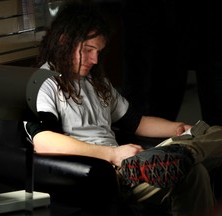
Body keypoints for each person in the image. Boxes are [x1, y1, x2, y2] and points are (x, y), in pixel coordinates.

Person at [25, 2, 222, 216]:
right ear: (64, 41)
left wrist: (181, 129)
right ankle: (182, 154)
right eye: (88, 50)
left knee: (205, 154)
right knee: (191, 166)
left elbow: (137, 122)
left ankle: (183, 154)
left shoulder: (96, 82)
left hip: (135, 165)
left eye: (98, 51)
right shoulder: (43, 83)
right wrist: (112, 154)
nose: (95, 59)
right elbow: (43, 141)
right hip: (109, 170)